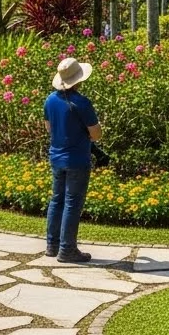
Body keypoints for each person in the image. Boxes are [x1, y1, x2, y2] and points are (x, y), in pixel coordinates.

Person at [45, 56, 102, 263]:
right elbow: (96, 134)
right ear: (78, 80)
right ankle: (67, 249)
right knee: (72, 203)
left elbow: (49, 128)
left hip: (56, 156)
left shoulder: (50, 100)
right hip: (77, 158)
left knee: (57, 199)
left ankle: (52, 245)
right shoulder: (82, 103)